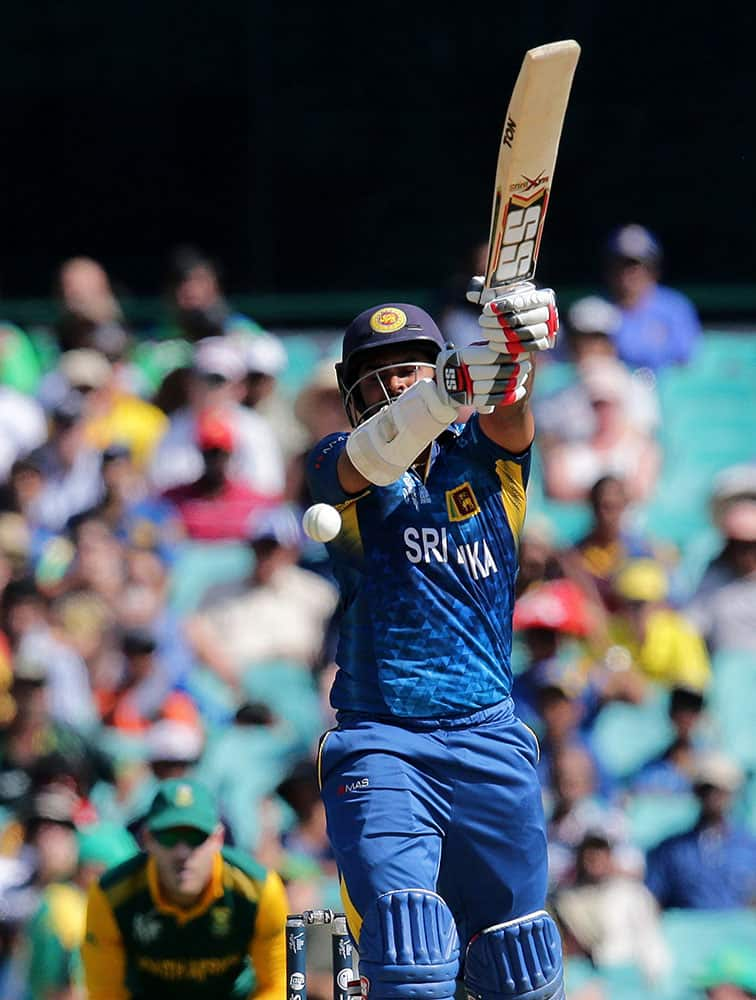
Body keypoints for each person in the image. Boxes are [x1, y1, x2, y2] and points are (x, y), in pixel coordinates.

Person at [306, 283, 567, 999]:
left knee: (520, 967)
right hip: (384, 744)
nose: (395, 384)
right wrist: (441, 392)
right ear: (351, 393)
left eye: (410, 369)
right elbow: (366, 460)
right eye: (379, 376)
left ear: (438, 368)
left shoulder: (489, 466)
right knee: (409, 951)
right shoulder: (337, 467)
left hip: (489, 737)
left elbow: (510, 414)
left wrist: (510, 351)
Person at [81, 777, 288, 1000]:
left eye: (195, 837)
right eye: (169, 837)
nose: (182, 853)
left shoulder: (258, 890)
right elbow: (106, 994)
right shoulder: (111, 896)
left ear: (217, 839)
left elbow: (278, 986)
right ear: (148, 839)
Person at [645, 752, 756, 909]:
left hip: (737, 930)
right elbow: (655, 901)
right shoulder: (672, 850)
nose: (713, 797)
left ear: (732, 794)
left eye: (720, 790)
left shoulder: (750, 847)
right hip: (686, 929)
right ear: (696, 792)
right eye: (706, 789)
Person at [603, 223, 702, 370]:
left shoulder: (675, 307)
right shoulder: (595, 309)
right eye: (619, 264)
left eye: (634, 266)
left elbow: (686, 360)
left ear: (653, 268)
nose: (626, 274)